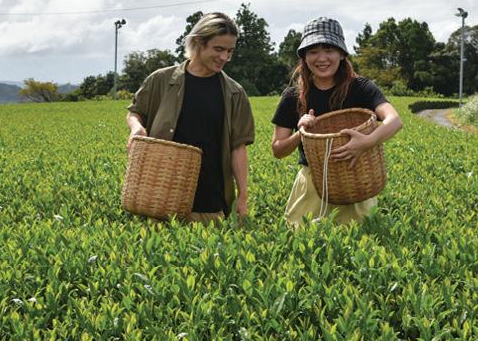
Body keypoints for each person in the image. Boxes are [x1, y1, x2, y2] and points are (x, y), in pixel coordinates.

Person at [271, 17, 402, 226]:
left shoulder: (360, 88)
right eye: (313, 51)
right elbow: (278, 150)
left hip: (354, 180)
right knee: (304, 241)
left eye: (329, 49)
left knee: (356, 240)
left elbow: (394, 120)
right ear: (304, 57)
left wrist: (367, 142)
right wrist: (300, 132)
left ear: (341, 53)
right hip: (313, 186)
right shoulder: (293, 96)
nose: (321, 58)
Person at [127, 12, 255, 224]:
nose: (224, 57)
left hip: (210, 203)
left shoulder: (235, 93)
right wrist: (136, 128)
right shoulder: (161, 80)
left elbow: (238, 147)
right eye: (218, 49)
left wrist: (242, 195)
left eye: (229, 51)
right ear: (198, 43)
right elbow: (136, 112)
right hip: (159, 199)